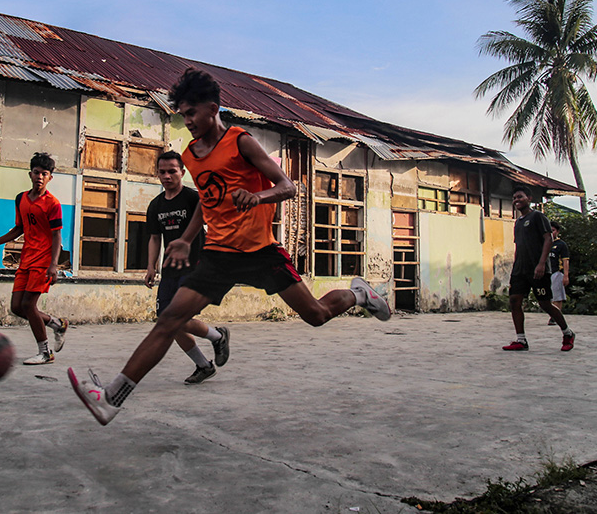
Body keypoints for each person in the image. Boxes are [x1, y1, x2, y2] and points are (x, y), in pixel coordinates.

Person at [69, 68, 391, 425]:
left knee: (315, 315)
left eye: (191, 113)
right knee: (169, 319)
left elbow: (288, 187)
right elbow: (207, 203)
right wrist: (185, 240)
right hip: (218, 255)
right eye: (183, 115)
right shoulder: (190, 154)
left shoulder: (241, 141)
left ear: (213, 108)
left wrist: (257, 197)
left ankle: (360, 296)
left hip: (260, 251)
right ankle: (111, 398)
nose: (187, 121)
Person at [145, 150, 230, 385]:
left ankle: (217, 336)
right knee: (166, 320)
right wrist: (151, 266)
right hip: (169, 270)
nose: (167, 176)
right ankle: (204, 363)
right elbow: (154, 237)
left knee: (178, 317)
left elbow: (216, 222)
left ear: (182, 172)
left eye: (172, 171)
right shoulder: (155, 205)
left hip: (195, 268)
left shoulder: (194, 199)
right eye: (162, 172)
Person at [0, 152, 69, 365]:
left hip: (43, 260)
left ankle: (45, 352)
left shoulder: (52, 204)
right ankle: (57, 324)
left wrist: (53, 265)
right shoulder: (21, 198)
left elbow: (57, 235)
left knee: (29, 305)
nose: (40, 176)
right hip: (26, 258)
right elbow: (19, 228)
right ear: (30, 174)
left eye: (44, 174)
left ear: (50, 178)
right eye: (37, 172)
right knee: (17, 307)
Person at [501, 186, 576, 352]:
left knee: (545, 304)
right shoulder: (518, 222)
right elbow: (520, 246)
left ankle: (567, 333)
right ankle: (521, 340)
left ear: (528, 198)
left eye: (520, 197)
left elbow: (548, 239)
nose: (516, 200)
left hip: (537, 268)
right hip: (520, 269)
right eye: (514, 198)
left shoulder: (538, 217)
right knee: (514, 301)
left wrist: (542, 264)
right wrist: (515, 266)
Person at [548, 221, 570, 325]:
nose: (551, 233)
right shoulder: (545, 243)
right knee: (549, 297)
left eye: (553, 230)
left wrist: (566, 275)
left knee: (557, 296)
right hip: (547, 272)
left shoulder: (561, 245)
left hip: (557, 272)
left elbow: (565, 261)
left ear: (557, 231)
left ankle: (555, 317)